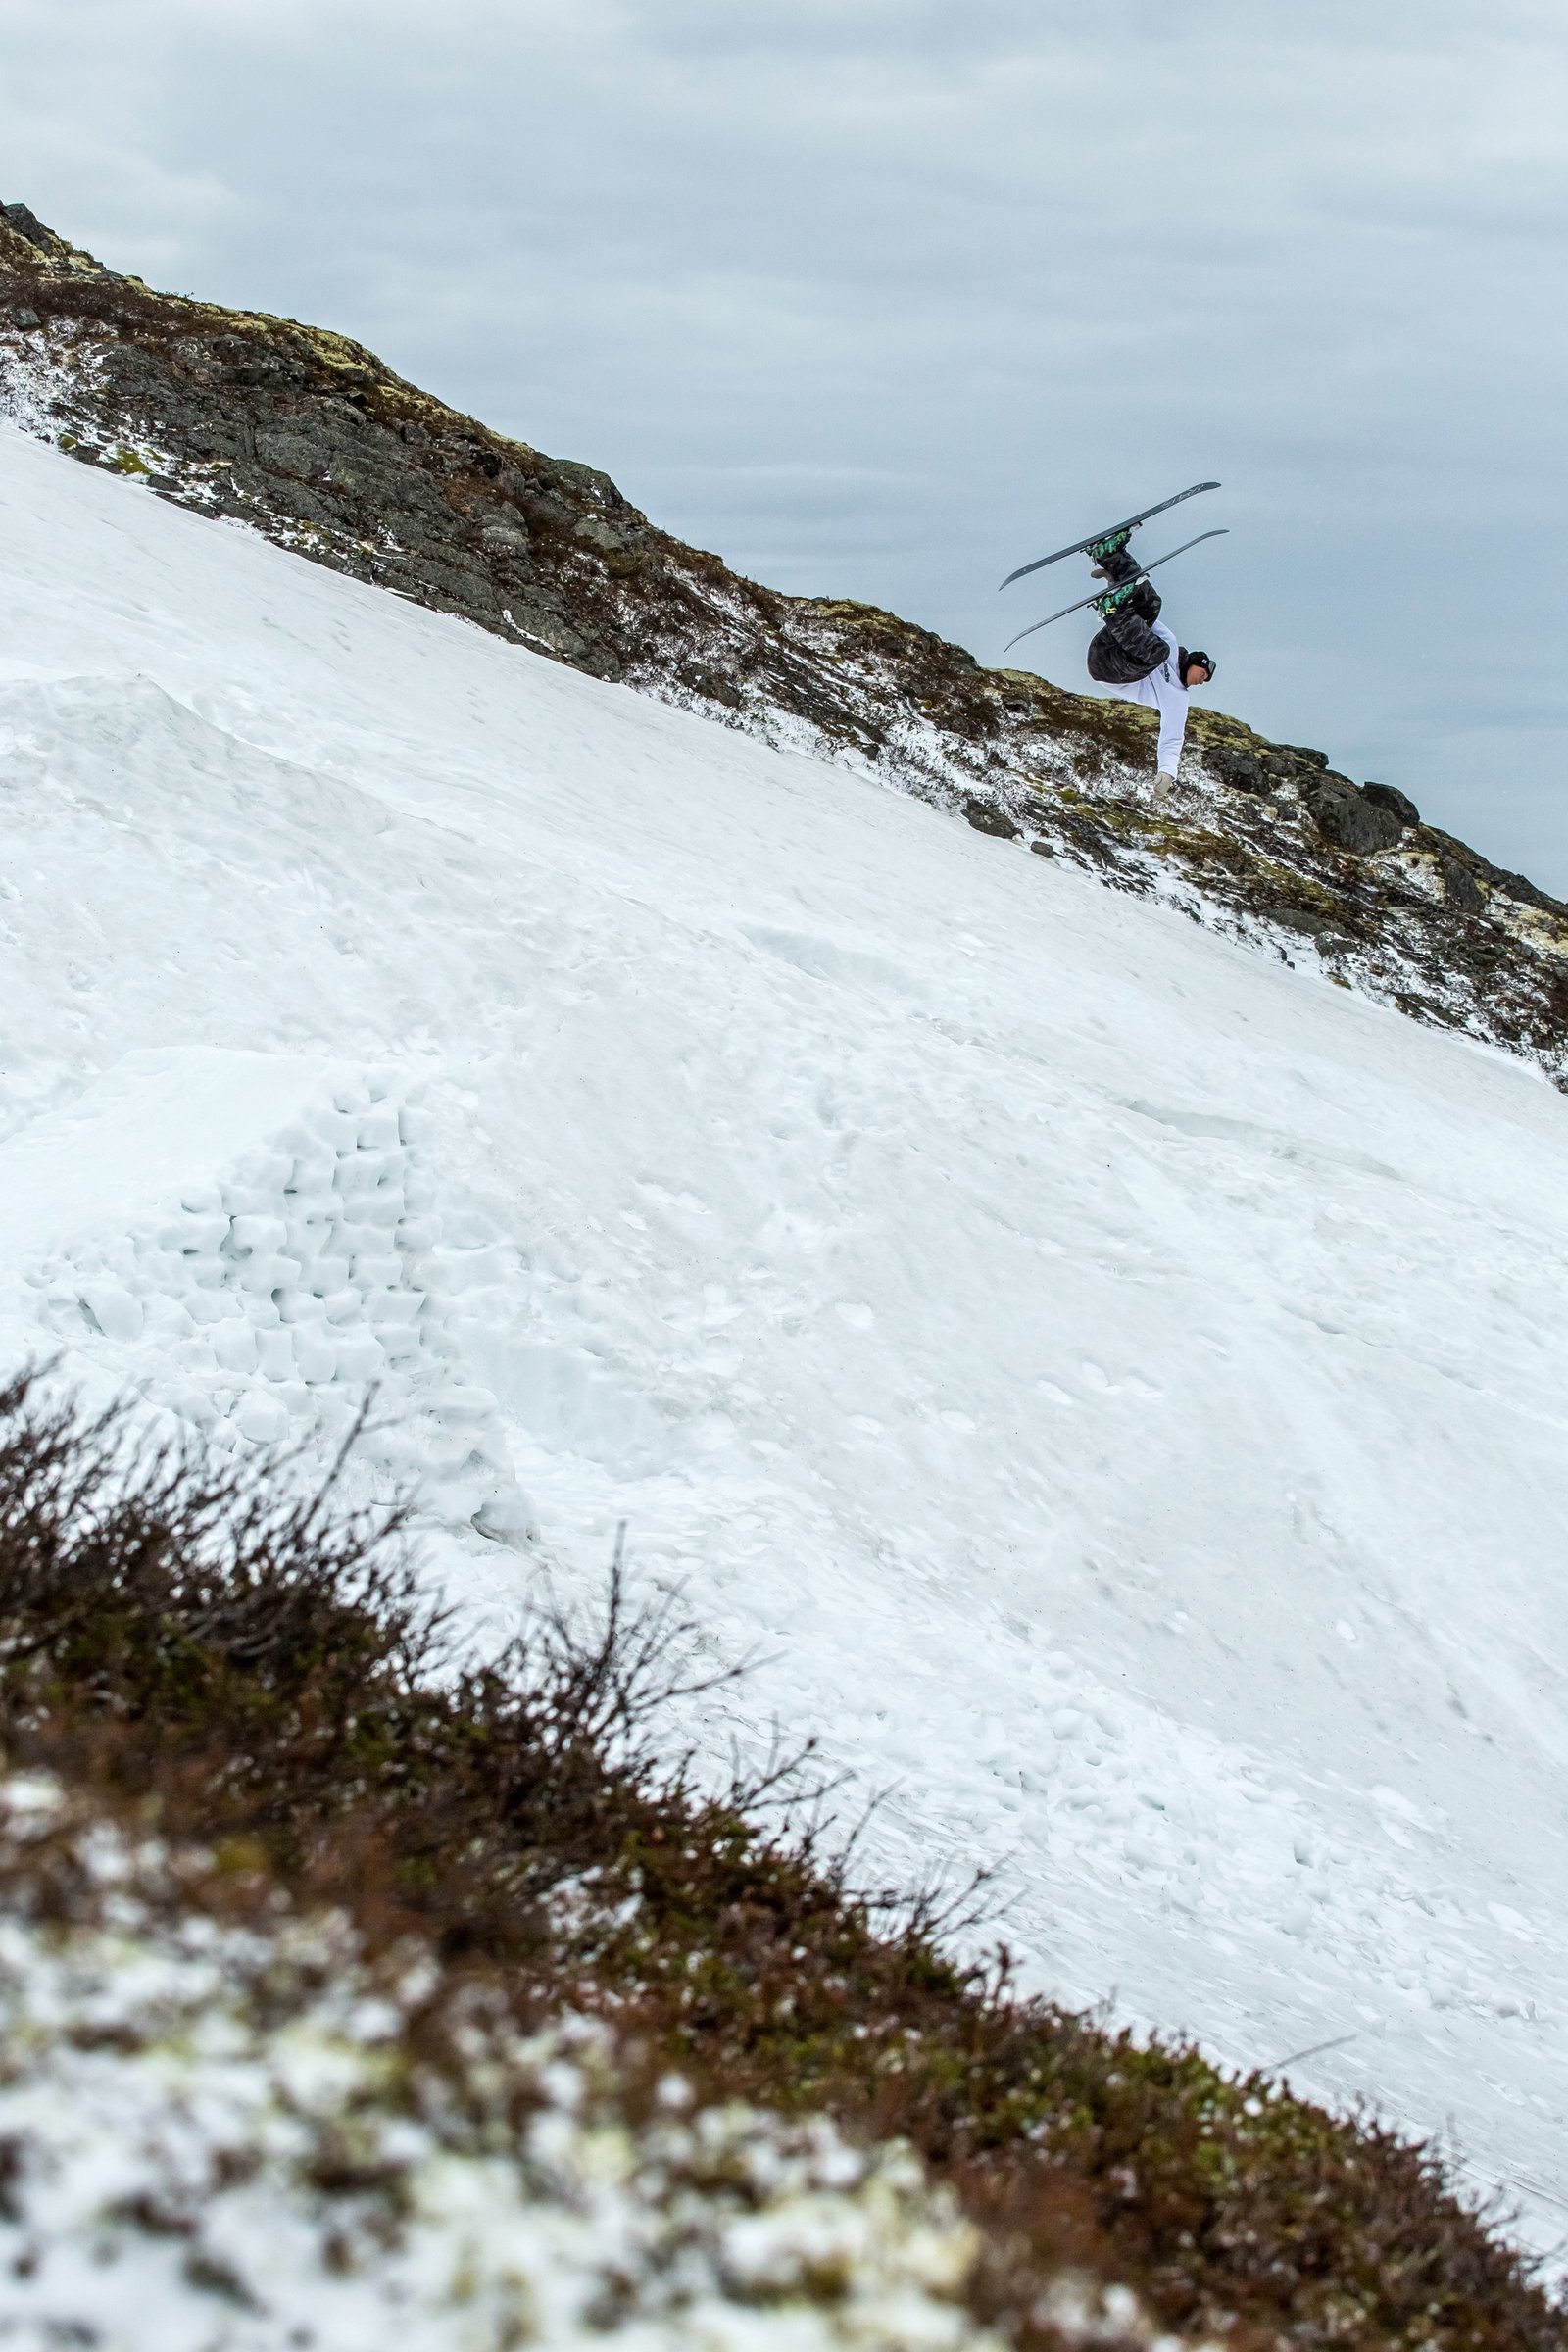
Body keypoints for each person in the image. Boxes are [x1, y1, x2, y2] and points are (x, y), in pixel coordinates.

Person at [1083, 529, 1213, 790]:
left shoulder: (1177, 697)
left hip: (1107, 667)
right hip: (1113, 641)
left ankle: (1111, 608)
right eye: (1204, 675)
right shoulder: (1171, 645)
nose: (1203, 682)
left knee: (1158, 652)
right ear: (1196, 662)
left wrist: (1167, 773)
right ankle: (1110, 556)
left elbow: (1173, 738)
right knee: (1152, 602)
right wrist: (1115, 582)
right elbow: (1143, 618)